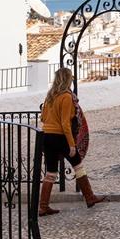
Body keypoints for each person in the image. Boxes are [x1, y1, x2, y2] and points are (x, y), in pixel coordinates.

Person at [38, 67, 106, 216]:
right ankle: (89, 197)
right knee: (78, 166)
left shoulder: (49, 96)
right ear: (67, 79)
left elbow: (42, 118)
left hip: (47, 136)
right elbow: (65, 124)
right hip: (60, 137)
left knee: (50, 172)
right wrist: (71, 144)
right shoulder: (66, 97)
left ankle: (43, 206)